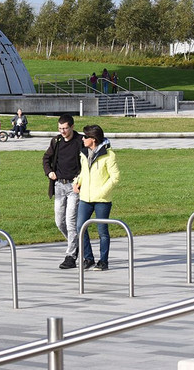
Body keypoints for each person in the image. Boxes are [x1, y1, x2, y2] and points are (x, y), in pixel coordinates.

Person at [75, 124, 121, 271]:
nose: (83, 139)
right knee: (80, 227)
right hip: (85, 198)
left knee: (102, 231)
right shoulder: (83, 153)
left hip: (102, 200)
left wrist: (102, 191)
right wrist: (77, 182)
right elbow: (83, 172)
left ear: (93, 139)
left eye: (86, 137)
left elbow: (115, 177)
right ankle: (88, 258)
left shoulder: (109, 155)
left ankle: (103, 261)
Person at [42, 114, 83, 268]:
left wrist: (79, 180)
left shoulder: (80, 141)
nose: (63, 131)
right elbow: (46, 158)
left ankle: (70, 256)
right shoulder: (56, 141)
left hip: (74, 186)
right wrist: (49, 172)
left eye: (65, 128)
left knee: (71, 221)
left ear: (72, 127)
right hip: (59, 185)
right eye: (60, 128)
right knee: (59, 222)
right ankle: (76, 244)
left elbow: (86, 163)